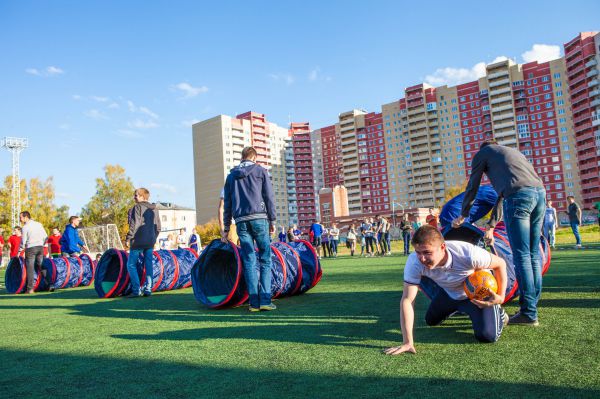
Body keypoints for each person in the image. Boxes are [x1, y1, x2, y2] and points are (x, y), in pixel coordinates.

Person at [452, 140, 545, 326]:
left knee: (522, 256)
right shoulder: (511, 153)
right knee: (534, 254)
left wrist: (464, 214)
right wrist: (492, 224)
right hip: (540, 194)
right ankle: (531, 305)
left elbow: (473, 186)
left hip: (519, 197)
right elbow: (502, 197)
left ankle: (528, 313)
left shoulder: (483, 154)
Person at [384, 226, 508, 356]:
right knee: (431, 321)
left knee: (487, 336)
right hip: (449, 293)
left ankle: (498, 312)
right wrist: (407, 342)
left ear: (442, 247)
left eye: (427, 252)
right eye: (418, 252)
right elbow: (407, 300)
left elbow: (500, 264)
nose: (422, 258)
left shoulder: (468, 254)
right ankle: (456, 309)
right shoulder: (414, 261)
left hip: (476, 296)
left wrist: (501, 296)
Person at [222, 146, 277, 312]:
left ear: (242, 158)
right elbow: (269, 195)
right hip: (260, 218)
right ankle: (265, 300)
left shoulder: (231, 176)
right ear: (254, 158)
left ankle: (254, 303)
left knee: (249, 260)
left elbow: (228, 203)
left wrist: (226, 226)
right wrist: (272, 219)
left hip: (241, 221)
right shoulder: (260, 171)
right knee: (265, 259)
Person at [125, 187, 161, 298]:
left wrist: (128, 238)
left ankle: (136, 290)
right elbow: (158, 227)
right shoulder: (155, 209)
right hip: (150, 241)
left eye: (136, 195)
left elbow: (134, 224)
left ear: (142, 196)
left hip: (138, 240)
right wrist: (154, 238)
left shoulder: (137, 207)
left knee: (131, 264)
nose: (134, 197)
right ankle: (148, 289)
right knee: (148, 264)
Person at [19, 211, 52, 293]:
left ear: (26, 217)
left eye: (21, 217)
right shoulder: (38, 224)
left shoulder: (25, 227)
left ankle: (30, 289)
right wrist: (41, 244)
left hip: (30, 248)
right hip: (40, 247)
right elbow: (45, 237)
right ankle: (50, 285)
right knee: (41, 266)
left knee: (30, 269)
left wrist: (19, 251)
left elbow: (23, 242)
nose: (20, 219)